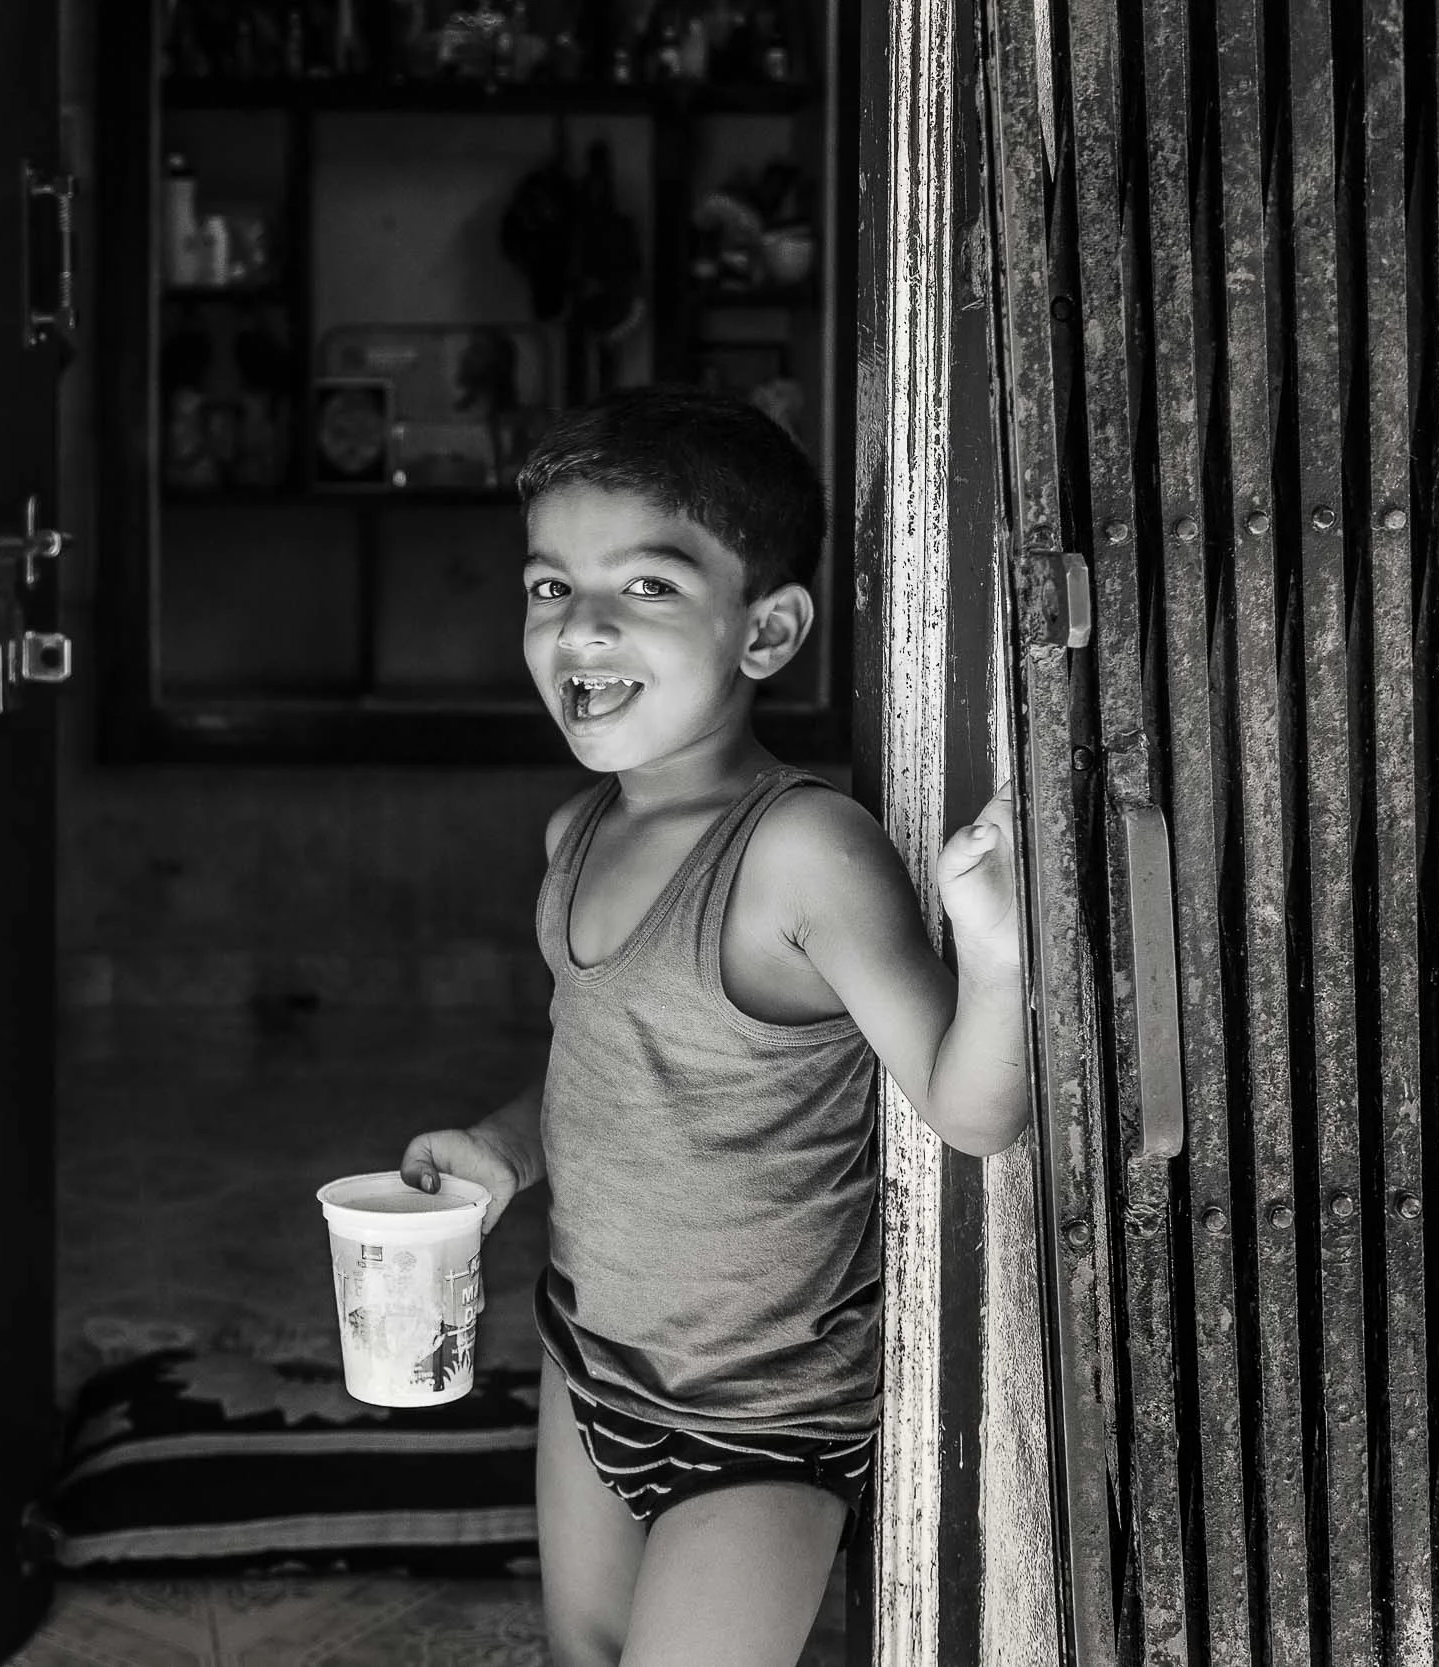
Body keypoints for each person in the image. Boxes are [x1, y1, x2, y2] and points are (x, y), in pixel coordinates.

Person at [396, 385, 1029, 1666]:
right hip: (590, 1363)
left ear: (766, 629)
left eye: (647, 587)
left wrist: (1001, 945)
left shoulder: (798, 851)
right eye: (546, 587)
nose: (580, 627)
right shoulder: (576, 837)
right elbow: (613, 1073)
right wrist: (505, 1152)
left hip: (763, 1424)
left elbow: (972, 1109)